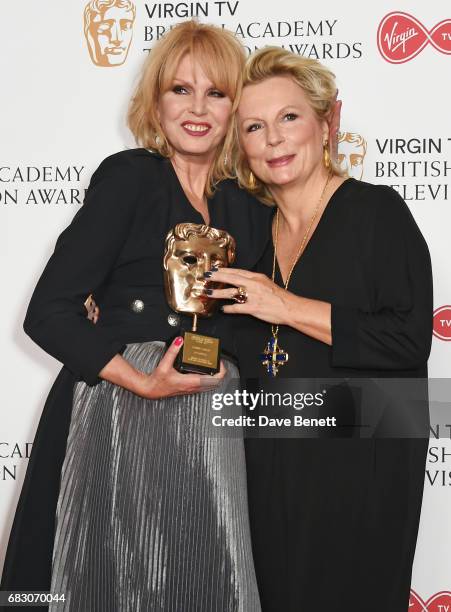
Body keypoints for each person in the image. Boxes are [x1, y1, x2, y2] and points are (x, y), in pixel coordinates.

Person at [1, 21, 274, 612]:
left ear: (236, 106)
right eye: (181, 89)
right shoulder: (129, 178)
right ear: (156, 100)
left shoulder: (249, 208)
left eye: (216, 93)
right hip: (117, 412)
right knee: (96, 584)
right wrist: (143, 380)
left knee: (206, 583)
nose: (197, 108)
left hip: (209, 433)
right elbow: (48, 312)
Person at [206, 47, 433, 611]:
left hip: (359, 474)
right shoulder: (253, 238)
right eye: (255, 127)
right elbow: (233, 346)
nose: (274, 140)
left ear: (327, 121)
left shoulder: (377, 214)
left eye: (289, 118)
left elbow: (407, 339)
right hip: (266, 473)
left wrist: (284, 304)